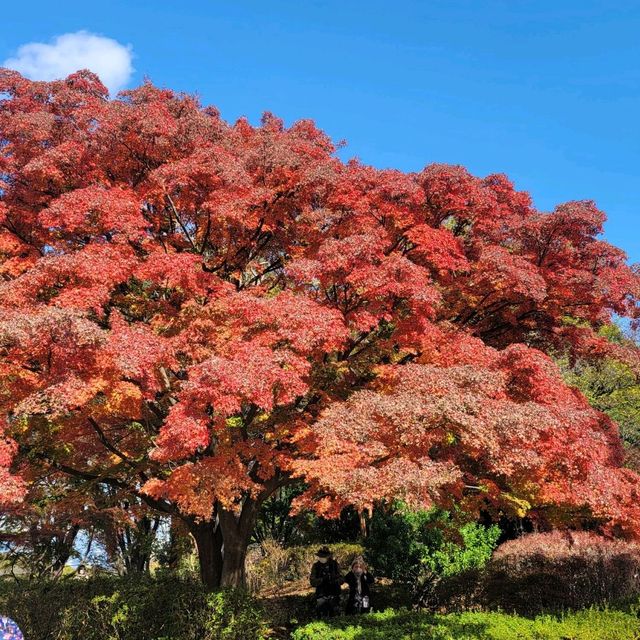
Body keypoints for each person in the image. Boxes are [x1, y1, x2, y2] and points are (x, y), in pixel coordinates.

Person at [309, 546, 343, 617]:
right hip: (321, 595)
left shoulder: (334, 565)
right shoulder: (316, 566)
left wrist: (335, 580)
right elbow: (312, 582)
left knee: (335, 617)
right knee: (321, 617)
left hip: (334, 594)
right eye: (320, 556)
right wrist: (322, 579)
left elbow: (342, 579)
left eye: (323, 556)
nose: (321, 558)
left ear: (328, 556)